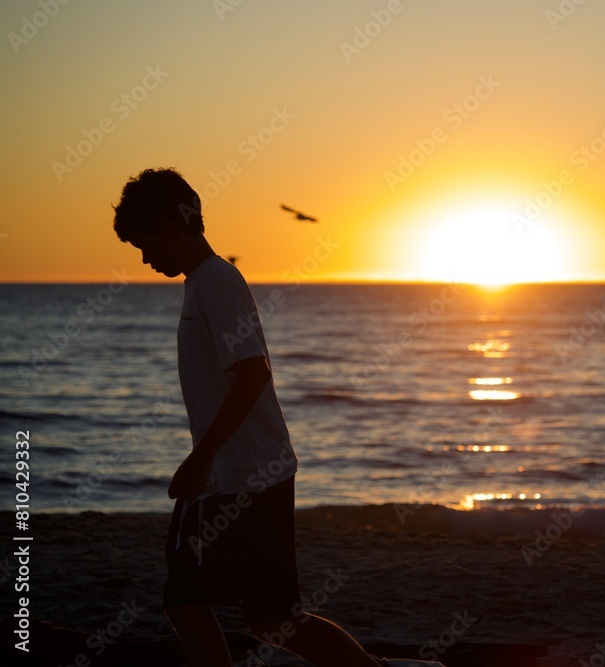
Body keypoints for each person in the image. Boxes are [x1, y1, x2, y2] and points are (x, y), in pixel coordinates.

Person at [112, 169, 429, 667]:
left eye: (143, 244)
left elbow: (253, 373)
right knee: (251, 614)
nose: (145, 259)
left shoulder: (216, 282)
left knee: (212, 608)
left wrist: (202, 457)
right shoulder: (205, 283)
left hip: (239, 478)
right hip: (239, 475)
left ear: (167, 227)